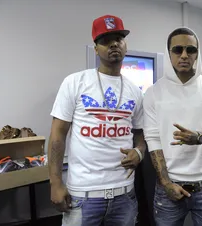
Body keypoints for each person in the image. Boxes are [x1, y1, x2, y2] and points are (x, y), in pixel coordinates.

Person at [48, 15, 146, 226]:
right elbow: (57, 134)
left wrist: (139, 152)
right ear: (96, 49)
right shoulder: (75, 82)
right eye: (105, 40)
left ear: (125, 45)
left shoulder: (135, 91)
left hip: (125, 194)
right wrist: (55, 182)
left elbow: (140, 134)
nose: (113, 44)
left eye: (118, 38)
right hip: (83, 195)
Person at [143, 27, 202, 226]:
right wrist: (166, 183)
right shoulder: (154, 92)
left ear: (197, 53)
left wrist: (200, 137)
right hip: (169, 188)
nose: (184, 55)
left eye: (190, 50)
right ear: (169, 53)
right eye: (178, 49)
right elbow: (153, 139)